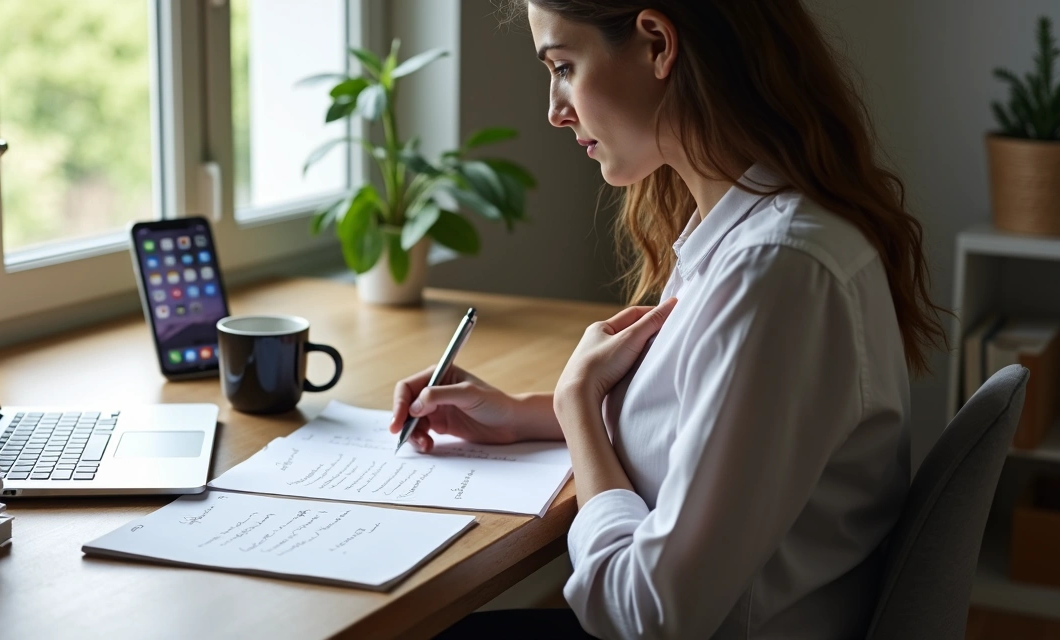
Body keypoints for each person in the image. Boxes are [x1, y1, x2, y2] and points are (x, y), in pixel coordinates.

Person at [391, 1, 946, 639]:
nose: (555, 108)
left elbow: (648, 615)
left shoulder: (778, 271)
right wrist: (521, 413)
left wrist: (578, 403)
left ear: (657, 44)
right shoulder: (743, 235)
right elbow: (693, 422)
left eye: (564, 66)